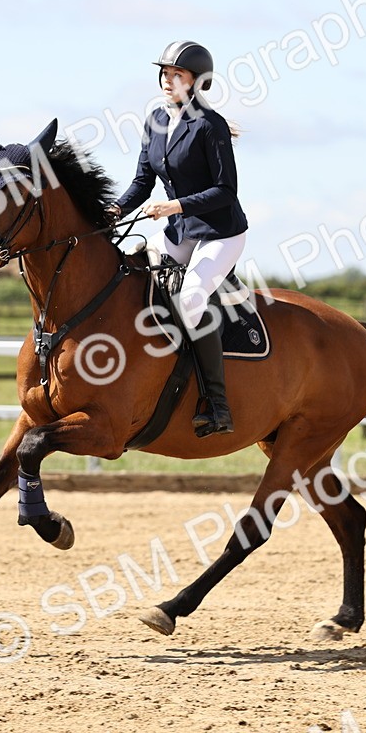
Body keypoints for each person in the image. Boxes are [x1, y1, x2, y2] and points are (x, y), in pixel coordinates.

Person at [114, 40, 248, 437]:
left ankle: (217, 404)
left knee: (189, 300)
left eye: (177, 74)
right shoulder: (156, 119)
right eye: (165, 73)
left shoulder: (210, 125)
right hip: (181, 232)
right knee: (129, 270)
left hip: (220, 233)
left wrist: (174, 206)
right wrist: (114, 210)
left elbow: (226, 191)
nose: (167, 80)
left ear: (197, 81)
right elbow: (142, 182)